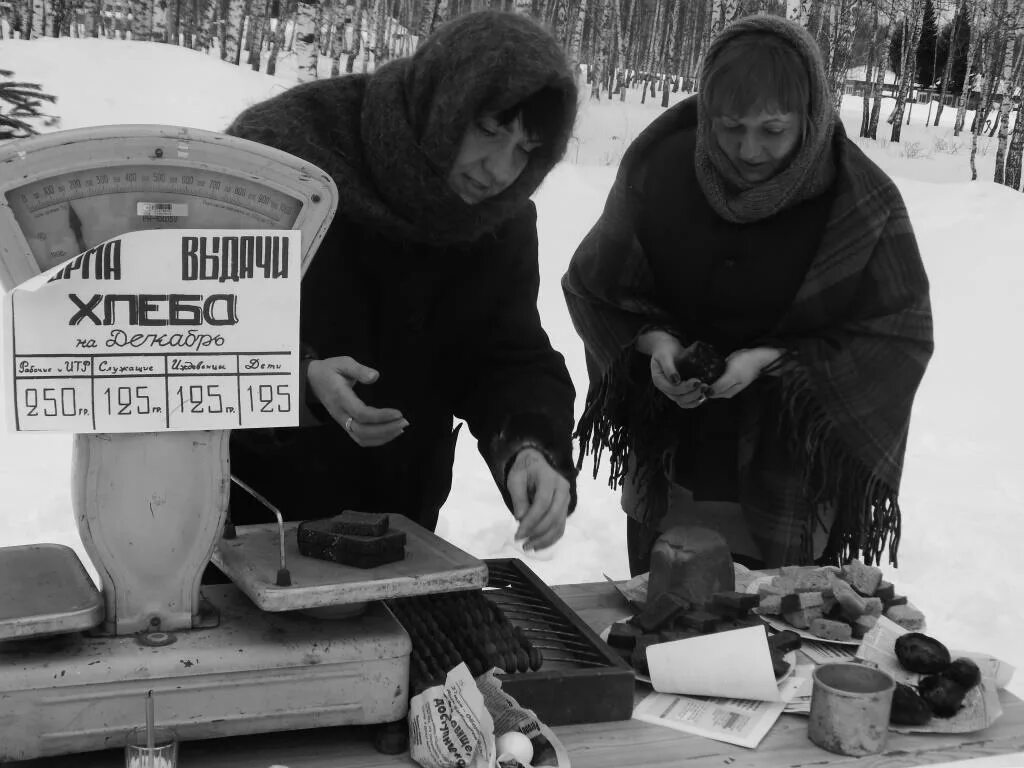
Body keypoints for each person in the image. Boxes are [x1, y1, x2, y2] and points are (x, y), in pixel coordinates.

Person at [562, 15, 933, 575]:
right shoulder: (662, 166)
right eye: (730, 127)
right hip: (671, 460)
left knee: (778, 637)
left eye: (773, 129)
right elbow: (595, 286)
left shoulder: (858, 200)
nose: (749, 150)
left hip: (791, 476)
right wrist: (655, 344)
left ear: (808, 116)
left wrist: (772, 360)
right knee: (664, 620)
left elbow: (896, 334)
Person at [223, 11, 579, 553]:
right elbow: (193, 325)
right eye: (490, 129)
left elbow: (503, 355)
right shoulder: (284, 157)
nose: (500, 171)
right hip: (247, 512)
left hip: (394, 520)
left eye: (527, 150)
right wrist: (299, 381)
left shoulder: (498, 218)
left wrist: (528, 446)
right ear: (446, 101)